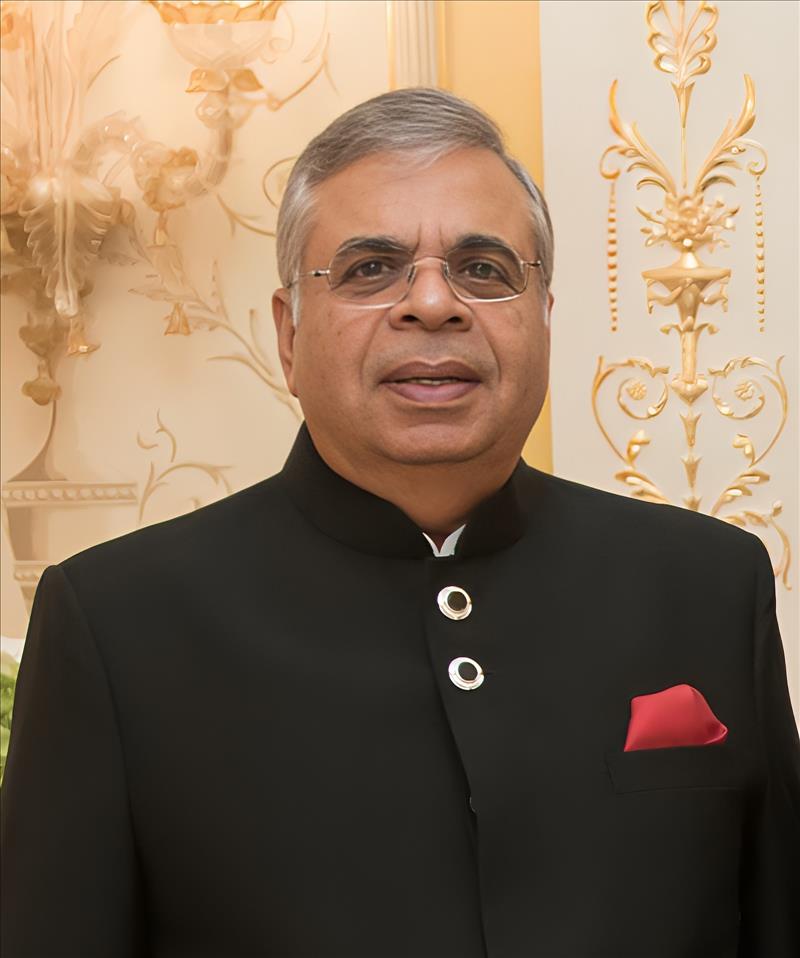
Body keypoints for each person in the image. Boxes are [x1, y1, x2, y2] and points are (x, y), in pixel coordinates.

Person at [2, 87, 798, 958]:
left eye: (483, 269)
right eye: (369, 269)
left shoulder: (706, 588)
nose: (432, 304)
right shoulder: (117, 627)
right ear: (288, 335)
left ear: (544, 317)